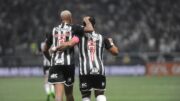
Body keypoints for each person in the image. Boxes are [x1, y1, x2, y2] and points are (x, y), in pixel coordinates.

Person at [54, 16, 119, 101]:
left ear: (83, 25)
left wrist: (57, 48)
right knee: (100, 93)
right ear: (94, 25)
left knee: (85, 95)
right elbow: (115, 52)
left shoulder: (79, 37)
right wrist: (111, 42)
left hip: (85, 70)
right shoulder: (102, 38)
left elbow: (69, 44)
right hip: (99, 69)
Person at [42, 10, 94, 101]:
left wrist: (50, 60)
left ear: (60, 19)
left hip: (56, 65)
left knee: (58, 95)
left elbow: (44, 49)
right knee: (69, 94)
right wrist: (86, 20)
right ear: (70, 18)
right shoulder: (74, 27)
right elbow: (90, 29)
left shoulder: (53, 30)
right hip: (68, 64)